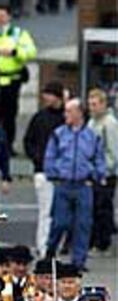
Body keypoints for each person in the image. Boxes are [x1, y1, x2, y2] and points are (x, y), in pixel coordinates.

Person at [44, 98, 106, 271]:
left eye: (69, 111)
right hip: (63, 184)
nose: (66, 115)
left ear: (79, 113)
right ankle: (50, 252)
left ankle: (78, 261)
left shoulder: (92, 136)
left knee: (83, 224)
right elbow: (50, 156)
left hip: (83, 185)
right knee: (59, 222)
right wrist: (53, 173)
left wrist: (97, 174)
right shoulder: (58, 134)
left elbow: (99, 158)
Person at [0, 5, 37, 153]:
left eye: (3, 15)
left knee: (10, 113)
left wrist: (15, 52)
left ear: (9, 17)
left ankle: (8, 144)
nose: (0, 18)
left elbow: (31, 52)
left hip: (13, 79)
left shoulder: (18, 34)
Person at [23, 80, 65, 257]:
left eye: (48, 94)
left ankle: (56, 245)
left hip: (62, 172)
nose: (45, 97)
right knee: (46, 211)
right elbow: (28, 141)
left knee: (60, 212)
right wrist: (37, 158)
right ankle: (44, 246)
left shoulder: (63, 118)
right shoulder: (40, 117)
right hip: (43, 171)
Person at [87, 88, 118, 255]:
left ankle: (103, 243)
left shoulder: (110, 123)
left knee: (103, 209)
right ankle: (95, 240)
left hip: (105, 174)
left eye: (95, 104)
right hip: (93, 172)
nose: (92, 107)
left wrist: (106, 170)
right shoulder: (92, 122)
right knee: (93, 208)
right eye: (90, 104)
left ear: (103, 104)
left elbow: (114, 150)